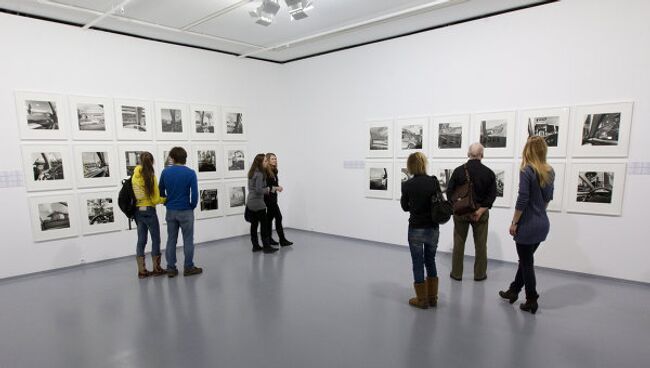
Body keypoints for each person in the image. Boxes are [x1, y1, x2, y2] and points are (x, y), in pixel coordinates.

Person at [499, 136, 554, 314]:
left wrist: (515, 222)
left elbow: (523, 198)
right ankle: (513, 290)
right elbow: (547, 200)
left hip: (528, 224)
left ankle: (531, 299)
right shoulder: (549, 171)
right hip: (542, 223)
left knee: (526, 262)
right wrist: (539, 211)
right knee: (525, 260)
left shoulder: (527, 170)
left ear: (527, 150)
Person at [446, 142, 496, 281]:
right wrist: (480, 211)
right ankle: (479, 275)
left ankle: (456, 274)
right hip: (481, 213)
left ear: (468, 154)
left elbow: (449, 192)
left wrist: (458, 207)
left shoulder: (458, 171)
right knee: (481, 245)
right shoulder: (488, 173)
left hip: (461, 213)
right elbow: (492, 196)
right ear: (482, 155)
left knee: (459, 243)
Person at [400, 152, 440, 309]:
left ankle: (422, 300)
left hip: (416, 228)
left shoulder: (408, 185)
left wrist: (414, 207)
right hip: (432, 228)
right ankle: (433, 297)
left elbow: (404, 207)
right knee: (430, 260)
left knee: (418, 262)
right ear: (424, 163)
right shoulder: (433, 182)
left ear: (410, 166)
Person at [159, 147, 202, 277]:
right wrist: (191, 206)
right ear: (185, 158)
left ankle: (171, 268)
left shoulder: (165, 172)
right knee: (188, 239)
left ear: (173, 157)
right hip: (186, 210)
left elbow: (160, 191)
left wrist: (166, 202)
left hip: (171, 210)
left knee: (171, 239)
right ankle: (188, 267)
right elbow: (194, 195)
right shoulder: (190, 173)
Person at [132, 152, 166, 278]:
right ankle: (157, 269)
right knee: (155, 239)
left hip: (137, 211)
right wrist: (165, 200)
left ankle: (142, 271)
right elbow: (156, 200)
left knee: (141, 240)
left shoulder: (134, 176)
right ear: (152, 162)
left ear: (140, 161)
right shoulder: (151, 177)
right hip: (149, 211)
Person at [247, 154, 278, 254]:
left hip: (250, 201)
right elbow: (259, 190)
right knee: (264, 225)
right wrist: (268, 189)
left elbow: (253, 188)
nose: (266, 162)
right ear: (260, 162)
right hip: (258, 202)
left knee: (254, 224)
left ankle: (255, 246)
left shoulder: (252, 172)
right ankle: (267, 247)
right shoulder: (260, 174)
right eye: (265, 161)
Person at [264, 153, 293, 247]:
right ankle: (282, 240)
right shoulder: (266, 172)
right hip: (269, 199)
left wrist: (276, 188)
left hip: (273, 198)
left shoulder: (274, 171)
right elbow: (266, 187)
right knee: (278, 217)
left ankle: (269, 239)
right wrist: (277, 188)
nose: (275, 160)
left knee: (269, 219)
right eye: (272, 159)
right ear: (267, 160)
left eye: (275, 159)